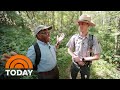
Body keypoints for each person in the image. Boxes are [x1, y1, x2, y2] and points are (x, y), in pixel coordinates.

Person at [66, 14, 101, 79]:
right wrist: (74, 56)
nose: (81, 26)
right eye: (80, 24)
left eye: (83, 24)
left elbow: (97, 56)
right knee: (72, 77)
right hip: (74, 64)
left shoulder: (93, 39)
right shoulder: (74, 37)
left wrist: (82, 59)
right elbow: (69, 49)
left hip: (86, 65)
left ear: (88, 25)